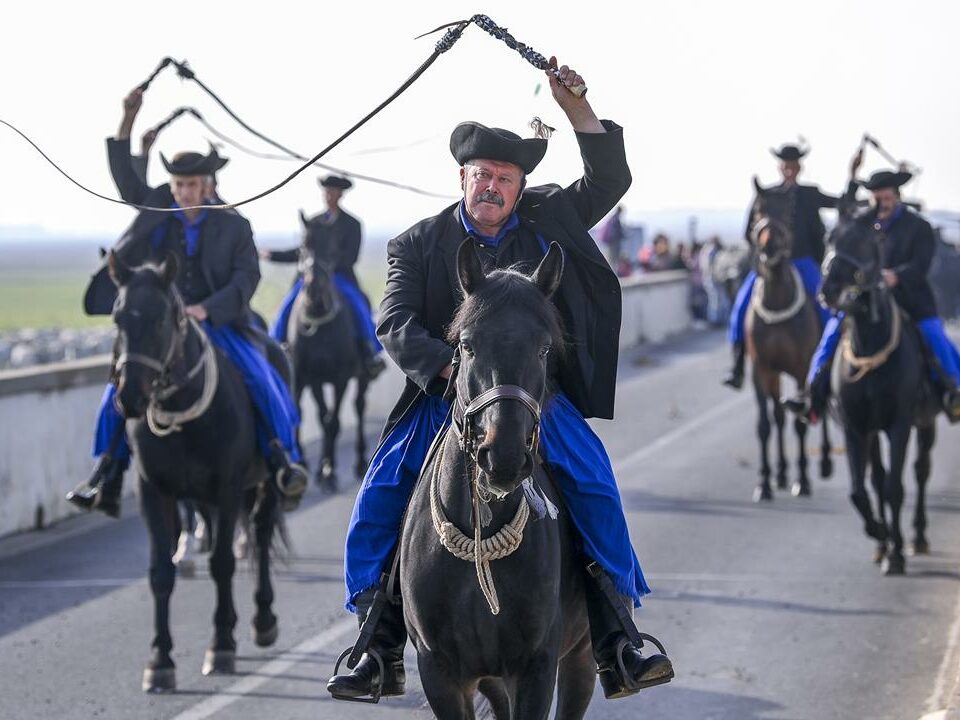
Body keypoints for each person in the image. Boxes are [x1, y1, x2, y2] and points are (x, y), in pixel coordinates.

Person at [326, 57, 673, 703]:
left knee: (593, 482)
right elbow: (395, 319)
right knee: (378, 498)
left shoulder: (552, 221)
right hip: (447, 397)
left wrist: (575, 110)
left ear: (519, 187)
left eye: (504, 177)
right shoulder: (417, 244)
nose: (491, 186)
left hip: (534, 398)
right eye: (481, 174)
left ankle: (615, 634)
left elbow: (610, 175)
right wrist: (446, 367)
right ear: (463, 177)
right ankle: (375, 643)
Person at [66, 94, 308, 517]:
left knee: (260, 376)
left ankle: (280, 458)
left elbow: (245, 279)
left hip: (219, 323)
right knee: (119, 389)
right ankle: (106, 469)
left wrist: (207, 310)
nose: (184, 192)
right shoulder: (156, 212)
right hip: (164, 327)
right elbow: (126, 180)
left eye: (192, 185)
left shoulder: (234, 225)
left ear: (207, 184)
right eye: (178, 185)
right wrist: (127, 117)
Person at [787, 169, 960, 423]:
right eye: (876, 198)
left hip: (908, 297)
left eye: (887, 198)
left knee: (933, 334)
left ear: (897, 197)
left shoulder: (918, 226)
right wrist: (851, 173)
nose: (882, 204)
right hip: (863, 300)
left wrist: (896, 276)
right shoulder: (860, 227)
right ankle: (813, 396)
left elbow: (922, 264)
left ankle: (952, 390)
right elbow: (843, 214)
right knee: (831, 334)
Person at [722, 143, 857, 389]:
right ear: (780, 167)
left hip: (803, 260)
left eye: (793, 166)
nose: (789, 170)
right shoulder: (765, 194)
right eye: (786, 165)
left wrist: (853, 178)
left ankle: (831, 363)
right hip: (769, 265)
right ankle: (737, 365)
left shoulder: (809, 193)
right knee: (741, 307)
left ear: (799, 168)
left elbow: (843, 203)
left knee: (827, 309)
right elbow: (748, 233)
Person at [262, 175, 386, 378]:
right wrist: (273, 255)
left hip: (339, 277)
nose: (328, 196)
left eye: (332, 192)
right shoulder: (315, 222)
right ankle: (278, 346)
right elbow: (303, 252)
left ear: (340, 195)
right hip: (312, 277)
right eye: (326, 192)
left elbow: (351, 257)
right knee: (290, 302)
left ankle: (370, 351)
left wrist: (327, 267)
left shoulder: (352, 224)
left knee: (358, 303)